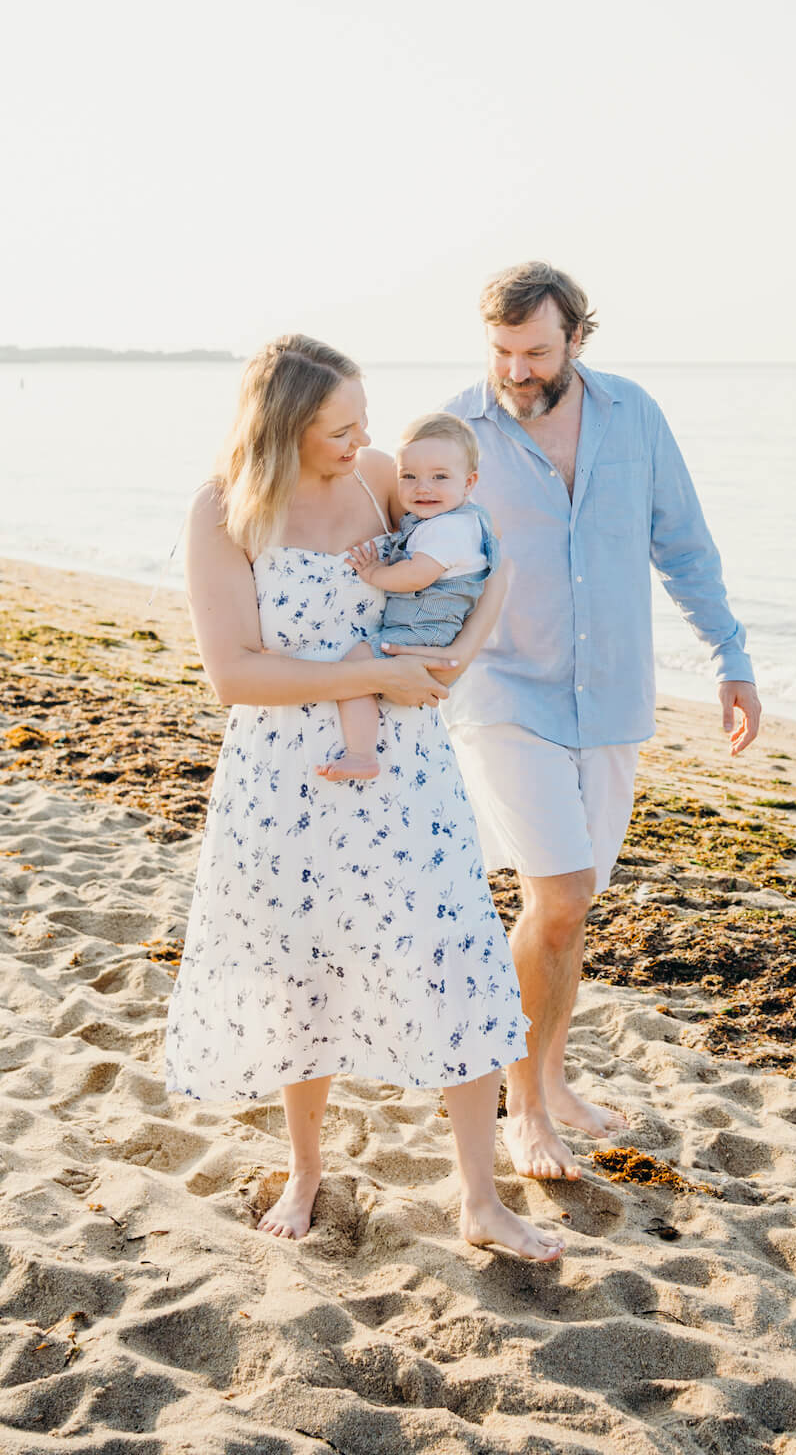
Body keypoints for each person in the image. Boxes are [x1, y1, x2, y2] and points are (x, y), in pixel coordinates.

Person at [164, 334, 563, 1261]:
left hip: (407, 772)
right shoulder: (225, 510)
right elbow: (233, 675)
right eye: (341, 428)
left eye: (364, 421)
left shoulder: (382, 477)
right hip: (283, 783)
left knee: (455, 954)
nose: (362, 441)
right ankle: (305, 1169)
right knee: (304, 973)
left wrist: (457, 660)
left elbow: (484, 564)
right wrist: (367, 672)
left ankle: (480, 1199)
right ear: (287, 427)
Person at [442, 264, 761, 1183]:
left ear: (578, 339)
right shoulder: (459, 425)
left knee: (564, 913)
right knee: (563, 892)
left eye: (536, 351)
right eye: (502, 350)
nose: (517, 368)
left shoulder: (635, 416)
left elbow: (684, 544)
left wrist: (730, 658)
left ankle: (552, 1074)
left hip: (612, 695)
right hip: (503, 689)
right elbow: (415, 542)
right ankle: (525, 1109)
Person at [317, 413, 499, 784]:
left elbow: (416, 576)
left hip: (420, 634)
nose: (422, 487)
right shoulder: (453, 520)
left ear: (470, 483)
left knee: (354, 668)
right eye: (409, 476)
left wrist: (373, 574)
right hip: (428, 634)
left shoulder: (448, 530)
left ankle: (361, 754)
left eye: (439, 476)